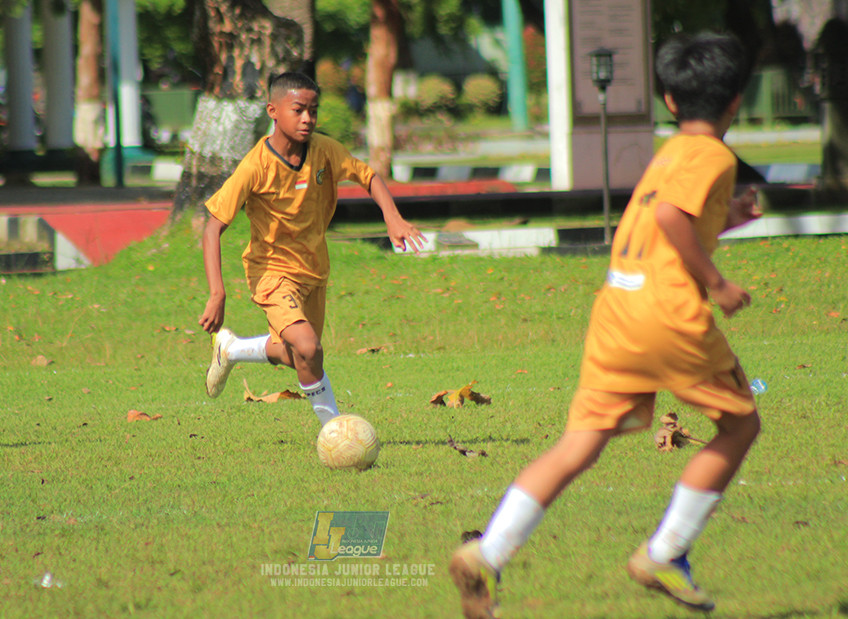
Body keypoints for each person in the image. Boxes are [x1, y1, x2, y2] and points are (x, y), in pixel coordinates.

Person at [450, 32, 764, 617]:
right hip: (668, 317)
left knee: (579, 445)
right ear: (736, 101)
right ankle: (665, 552)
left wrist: (731, 217)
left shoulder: (669, 151)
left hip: (617, 311)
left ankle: (487, 555)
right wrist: (717, 285)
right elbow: (672, 216)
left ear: (669, 100)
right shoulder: (714, 154)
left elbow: (667, 227)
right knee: (740, 427)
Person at [198, 72, 425, 427]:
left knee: (300, 356)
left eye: (313, 111)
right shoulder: (255, 166)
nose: (307, 119)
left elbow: (368, 176)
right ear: (273, 110)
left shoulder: (324, 150)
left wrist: (392, 218)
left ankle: (232, 349)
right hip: (271, 273)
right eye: (298, 110)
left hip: (315, 270)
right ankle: (334, 431)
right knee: (309, 349)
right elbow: (212, 228)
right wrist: (217, 292)